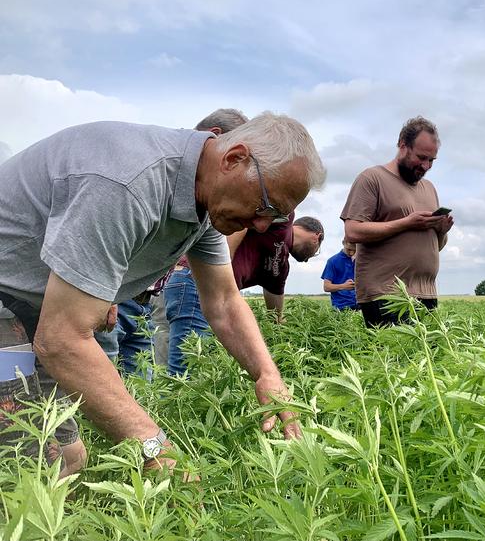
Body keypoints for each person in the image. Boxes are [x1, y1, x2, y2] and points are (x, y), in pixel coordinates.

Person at [0, 111, 325, 476]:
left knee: (70, 457)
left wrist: (267, 374)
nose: (262, 225)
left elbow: (224, 300)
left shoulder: (206, 201)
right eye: (265, 207)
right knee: (29, 466)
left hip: (36, 307)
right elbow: (62, 340)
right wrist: (155, 447)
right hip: (6, 302)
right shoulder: (130, 183)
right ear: (234, 159)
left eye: (277, 219)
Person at [101, 109, 251, 377]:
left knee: (140, 382)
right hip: (109, 301)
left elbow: (225, 298)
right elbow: (108, 234)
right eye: (238, 160)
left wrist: (267, 375)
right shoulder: (149, 173)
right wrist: (104, 292)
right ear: (215, 138)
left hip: (142, 302)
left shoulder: (200, 204)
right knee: (99, 378)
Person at [166, 215, 324, 376]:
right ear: (316, 237)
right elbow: (242, 214)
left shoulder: (281, 267)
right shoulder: (283, 219)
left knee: (196, 363)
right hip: (196, 279)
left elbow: (275, 316)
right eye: (316, 253)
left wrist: (289, 337)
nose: (307, 261)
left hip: (212, 295)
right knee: (185, 370)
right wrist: (220, 267)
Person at [341, 116, 453, 327]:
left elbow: (435, 247)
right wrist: (406, 223)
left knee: (426, 357)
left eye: (432, 160)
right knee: (392, 358)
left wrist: (441, 231)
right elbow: (353, 231)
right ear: (403, 145)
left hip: (426, 292)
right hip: (386, 294)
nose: (426, 166)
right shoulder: (372, 178)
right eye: (421, 157)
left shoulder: (429, 188)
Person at [321, 239, 358, 310]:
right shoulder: (332, 261)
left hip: (360, 305)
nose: (351, 253)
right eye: (349, 249)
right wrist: (344, 286)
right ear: (343, 243)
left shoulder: (359, 260)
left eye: (355, 250)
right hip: (341, 307)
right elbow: (326, 287)